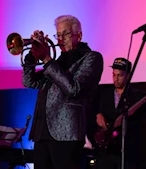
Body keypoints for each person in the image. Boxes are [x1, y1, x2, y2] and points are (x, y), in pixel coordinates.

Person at [22, 15, 104, 169]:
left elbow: (74, 88)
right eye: (58, 35)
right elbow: (29, 81)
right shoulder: (57, 61)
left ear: (78, 35)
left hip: (67, 134)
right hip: (42, 132)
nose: (60, 39)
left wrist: (46, 58)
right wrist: (31, 57)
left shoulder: (91, 58)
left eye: (65, 34)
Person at [92, 58, 146, 169]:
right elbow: (93, 111)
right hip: (107, 150)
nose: (115, 79)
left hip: (130, 151)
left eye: (120, 75)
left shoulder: (138, 96)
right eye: (113, 75)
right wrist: (98, 115)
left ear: (128, 75)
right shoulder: (104, 94)